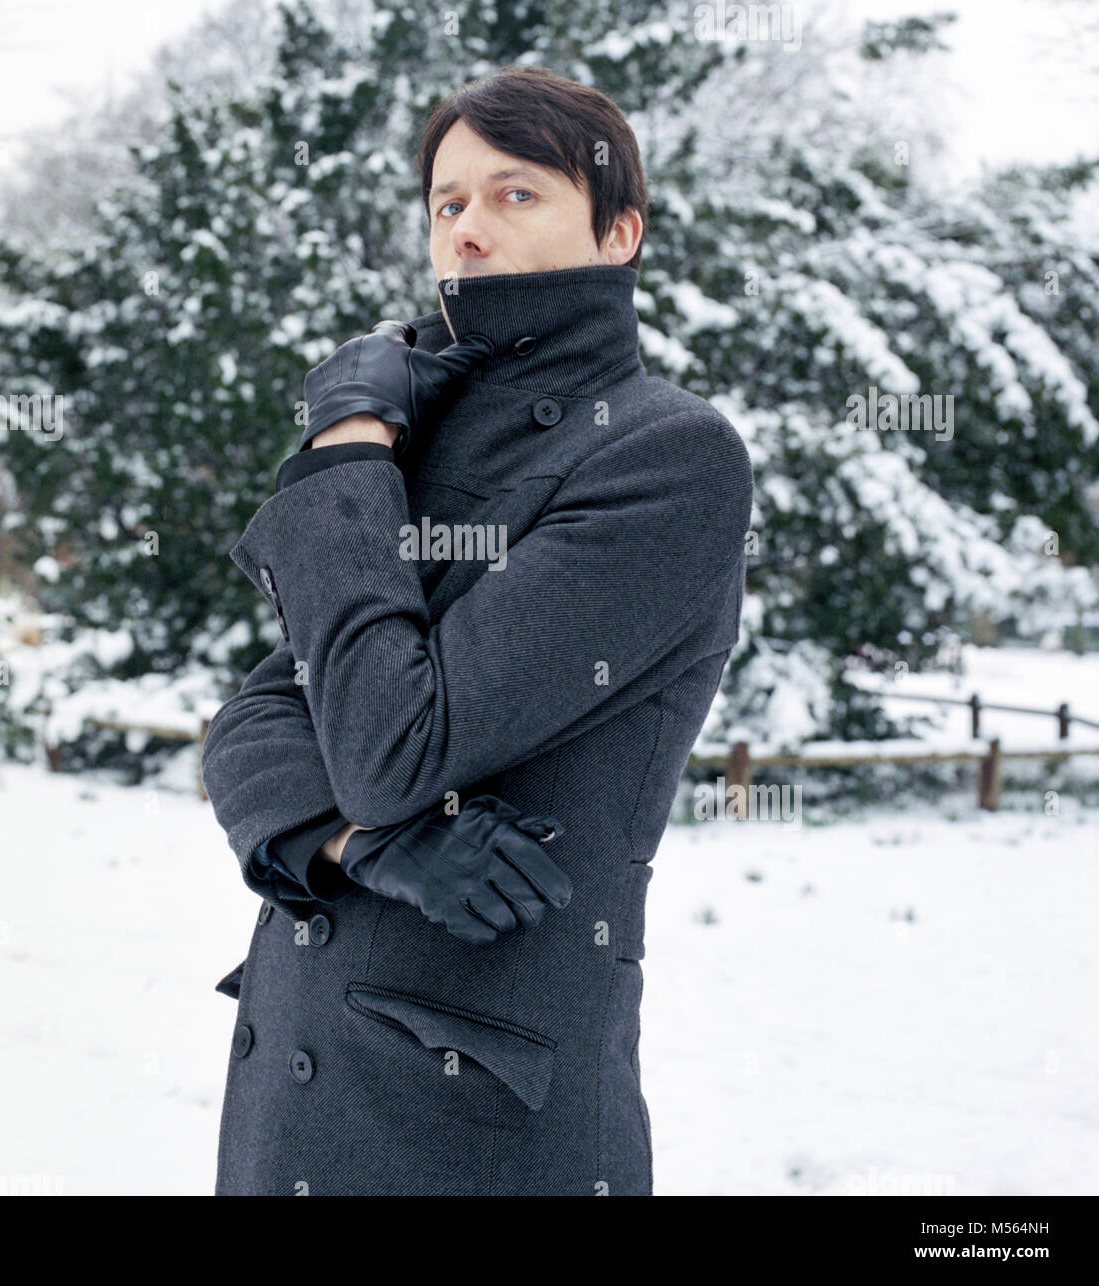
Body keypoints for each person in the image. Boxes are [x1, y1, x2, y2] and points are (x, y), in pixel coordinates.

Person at [202, 63, 753, 1195]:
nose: (468, 231)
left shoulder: (666, 456)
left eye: (515, 195)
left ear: (619, 234)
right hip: (296, 1097)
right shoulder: (424, 446)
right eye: (448, 204)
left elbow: (394, 745)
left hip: (476, 1126)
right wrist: (363, 844)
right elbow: (257, 714)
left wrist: (348, 449)